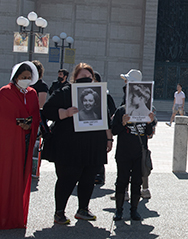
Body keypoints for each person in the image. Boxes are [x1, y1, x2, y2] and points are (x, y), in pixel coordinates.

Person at [42, 63, 113, 225]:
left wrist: (109, 139)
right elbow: (47, 109)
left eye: (89, 77)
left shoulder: (98, 94)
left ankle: (83, 209)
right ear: (75, 78)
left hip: (93, 144)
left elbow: (106, 117)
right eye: (82, 77)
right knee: (67, 178)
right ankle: (59, 212)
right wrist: (65, 113)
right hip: (69, 145)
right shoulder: (64, 92)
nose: (86, 80)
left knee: (88, 178)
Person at [0, 61, 40, 229]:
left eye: (29, 78)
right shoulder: (5, 92)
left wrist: (30, 124)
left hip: (25, 142)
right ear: (16, 77)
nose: (26, 80)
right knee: (6, 177)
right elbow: (3, 117)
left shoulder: (32, 93)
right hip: (8, 144)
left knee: (21, 179)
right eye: (23, 77)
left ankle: (17, 217)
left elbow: (36, 115)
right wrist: (17, 125)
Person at [111, 104, 156, 221]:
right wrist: (123, 123)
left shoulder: (146, 111)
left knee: (137, 181)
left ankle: (134, 210)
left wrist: (149, 122)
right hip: (123, 152)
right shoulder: (121, 111)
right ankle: (119, 210)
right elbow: (114, 130)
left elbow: (149, 133)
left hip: (139, 154)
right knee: (122, 180)